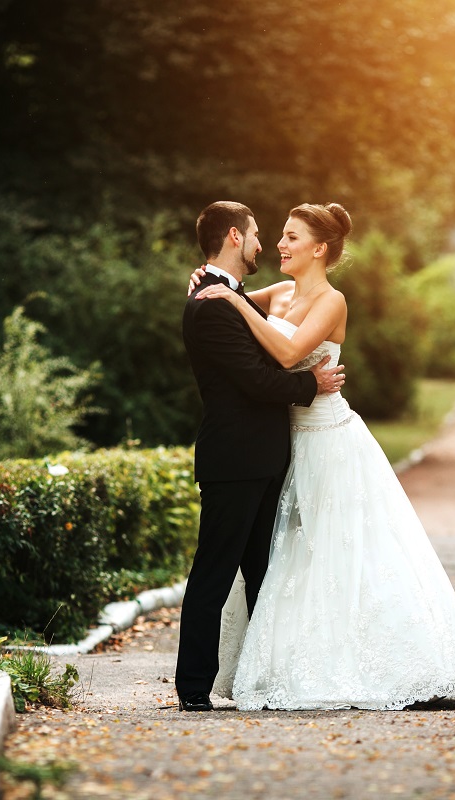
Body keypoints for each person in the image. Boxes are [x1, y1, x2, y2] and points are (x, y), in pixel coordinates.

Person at [193, 202, 455, 711]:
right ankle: (279, 662)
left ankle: (369, 656)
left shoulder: (333, 301)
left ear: (320, 248)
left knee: (339, 549)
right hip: (281, 442)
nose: (279, 244)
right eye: (277, 235)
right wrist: (203, 280)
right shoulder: (278, 292)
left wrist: (236, 305)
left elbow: (285, 353)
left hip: (326, 437)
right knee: (284, 560)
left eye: (291, 237)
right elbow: (222, 296)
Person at [176, 201, 346, 712]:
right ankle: (193, 688)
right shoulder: (212, 304)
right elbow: (256, 379)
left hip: (267, 458)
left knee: (266, 578)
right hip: (234, 459)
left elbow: (261, 330)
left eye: (288, 237)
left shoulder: (235, 296)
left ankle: (266, 679)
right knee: (214, 573)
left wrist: (234, 298)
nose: (267, 243)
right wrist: (309, 384)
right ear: (235, 235)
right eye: (258, 234)